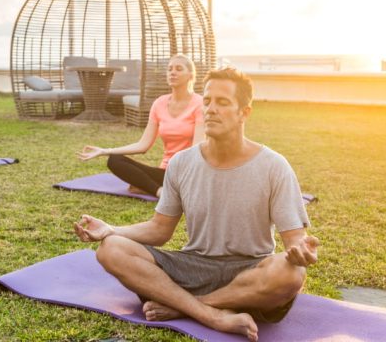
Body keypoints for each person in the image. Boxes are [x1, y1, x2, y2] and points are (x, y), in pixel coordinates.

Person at [74, 67, 319, 342]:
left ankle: (186, 306)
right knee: (111, 249)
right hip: (192, 266)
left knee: (291, 274)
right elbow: (159, 230)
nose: (211, 109)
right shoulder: (181, 163)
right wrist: (111, 229)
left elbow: (295, 241)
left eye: (223, 102)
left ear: (244, 113)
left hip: (250, 272)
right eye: (207, 101)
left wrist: (300, 251)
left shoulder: (274, 166)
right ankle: (212, 315)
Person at [78, 54, 204, 197]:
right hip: (165, 173)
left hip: (188, 172)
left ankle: (148, 186)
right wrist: (104, 151)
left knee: (179, 178)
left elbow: (196, 152)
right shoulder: (159, 103)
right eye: (169, 69)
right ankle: (160, 192)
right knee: (115, 160)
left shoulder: (200, 104)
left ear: (191, 75)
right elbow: (143, 145)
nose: (172, 72)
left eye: (179, 69)